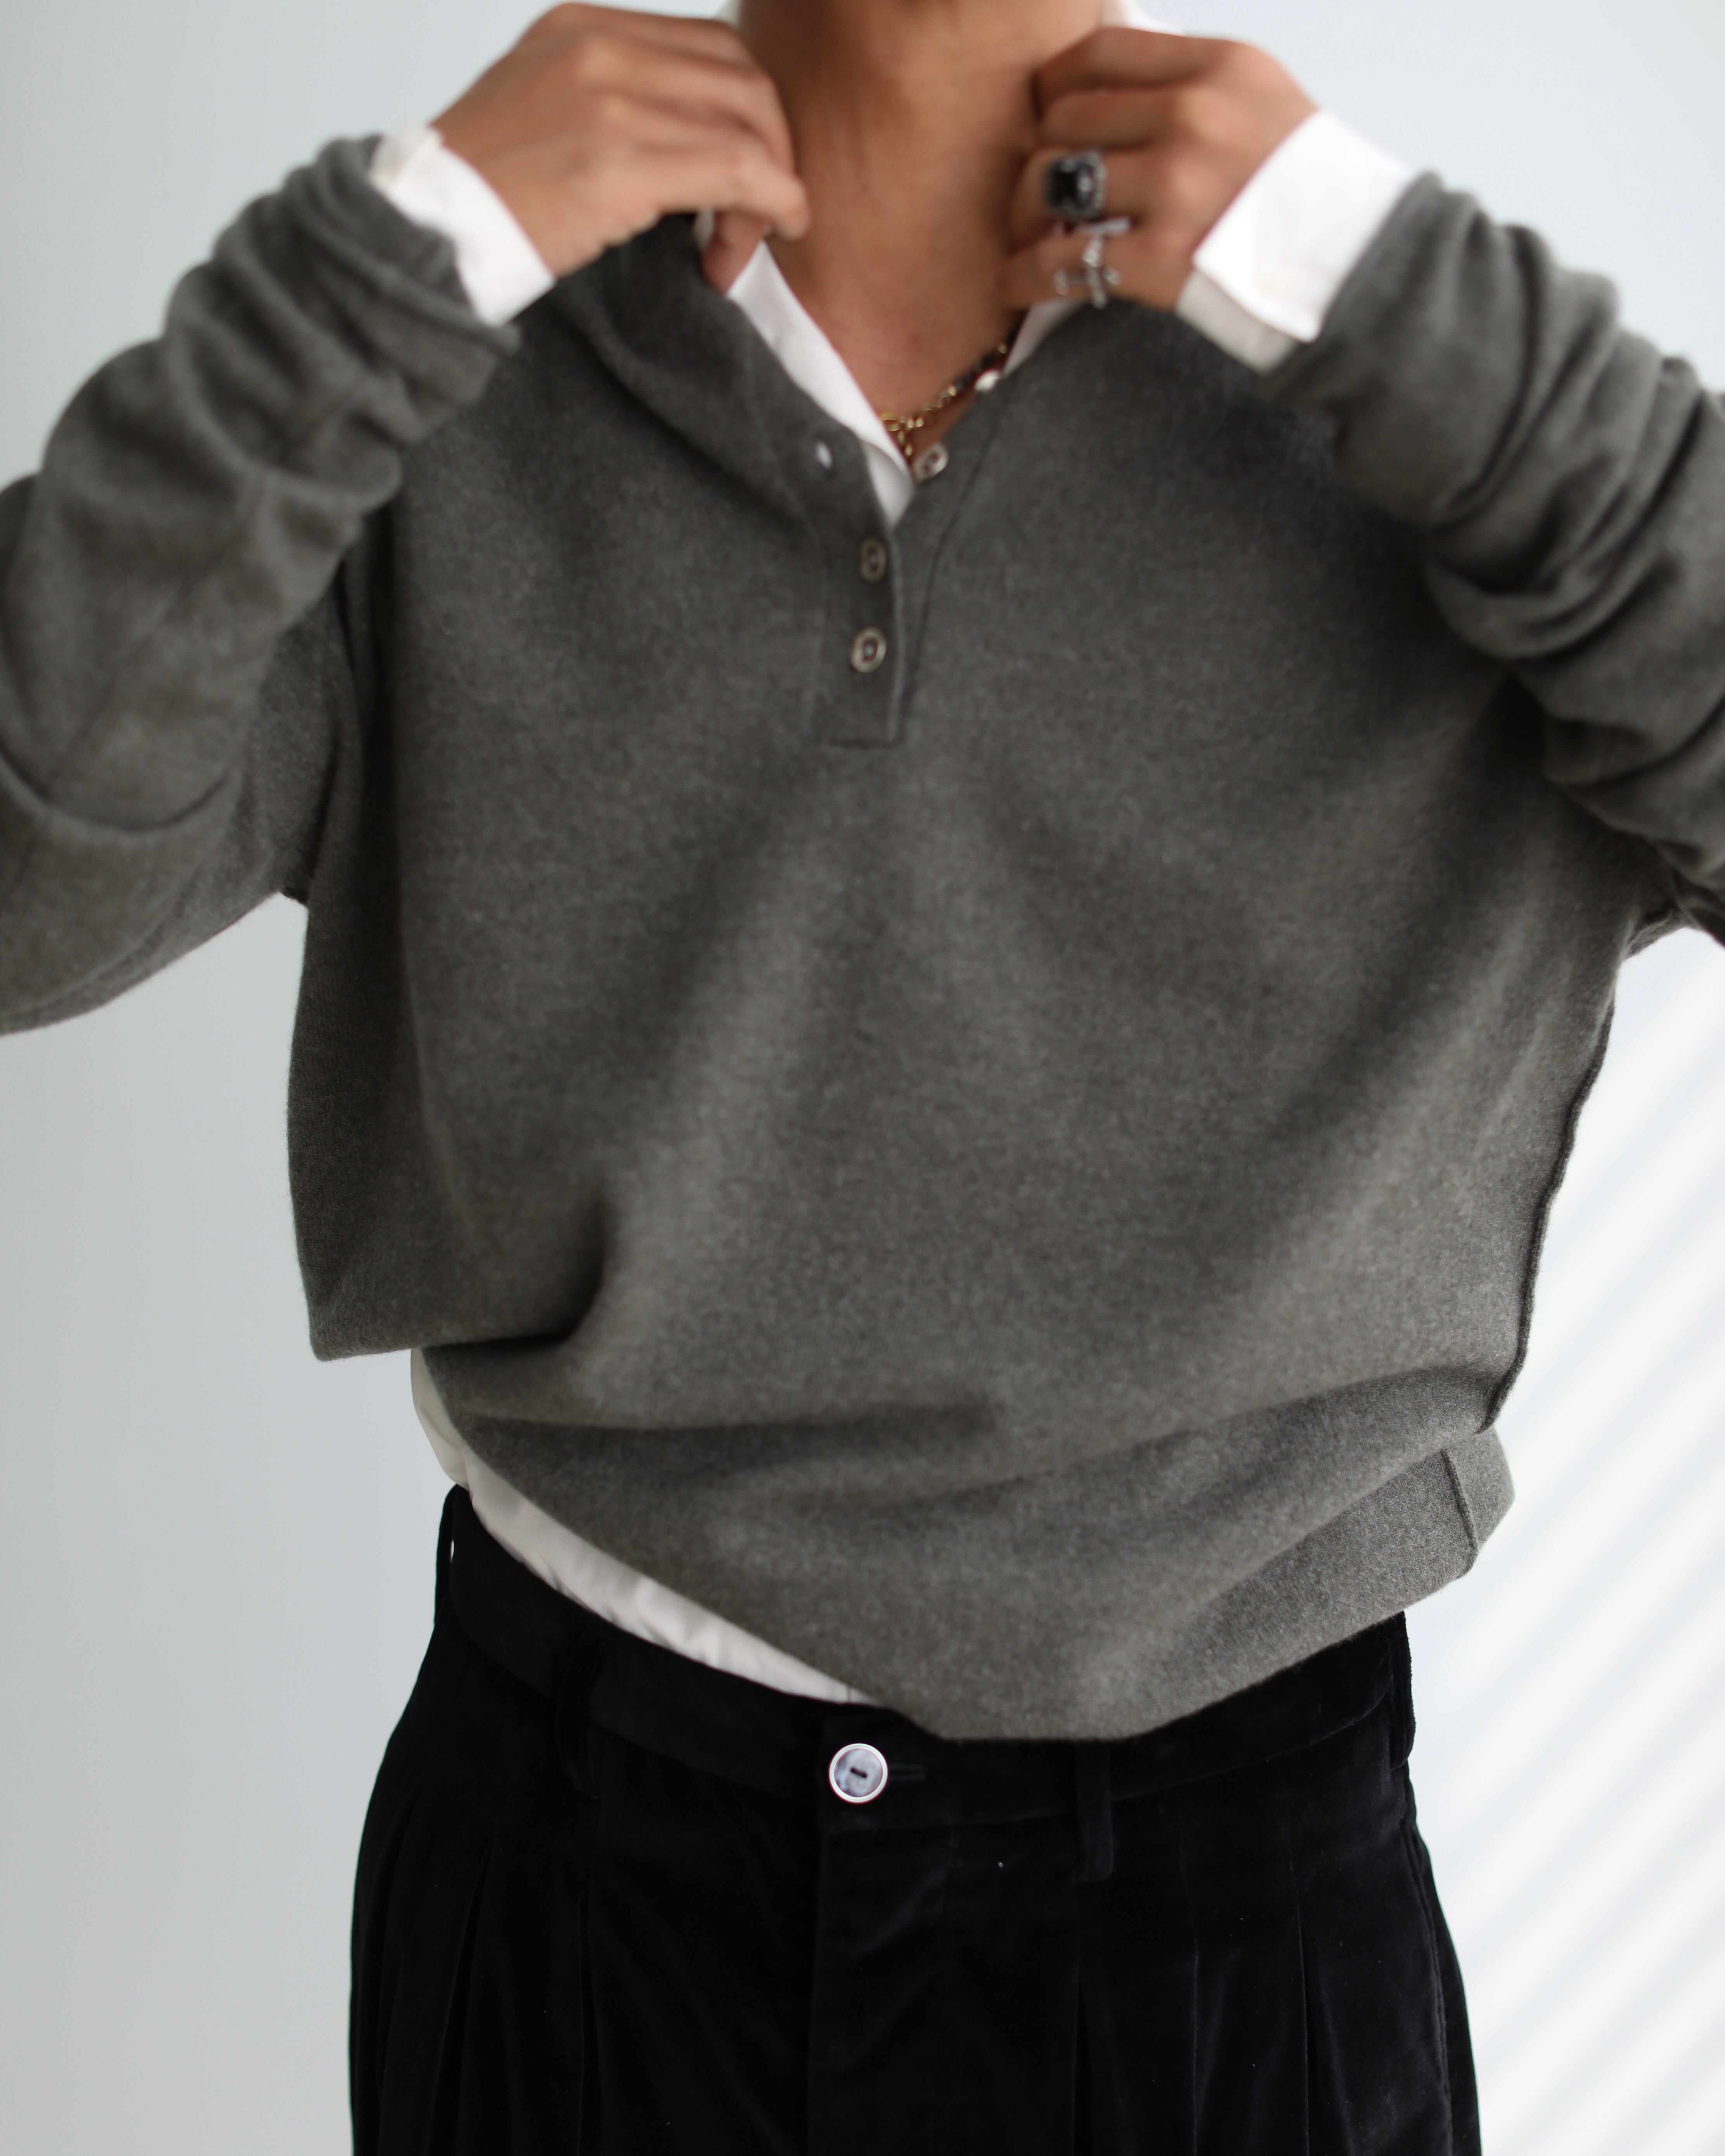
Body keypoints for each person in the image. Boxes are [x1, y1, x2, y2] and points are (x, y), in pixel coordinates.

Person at [3, 0, 1722, 2144]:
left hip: (1229, 1906)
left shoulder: (1455, 423)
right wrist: (401, 254)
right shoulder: (431, 385)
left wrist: (1386, 292)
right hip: (578, 1876)